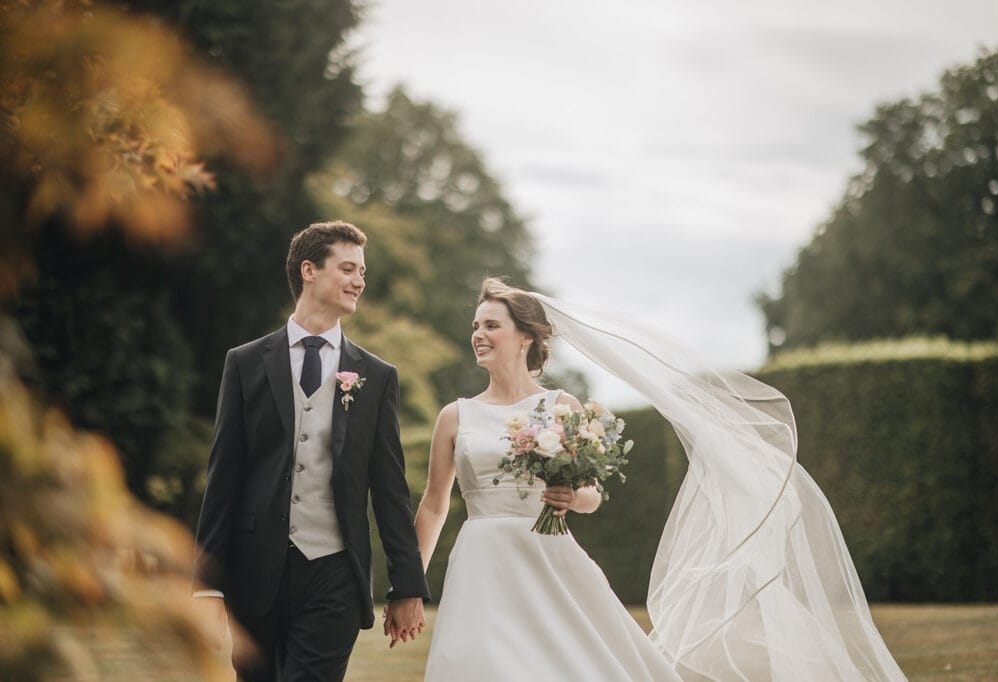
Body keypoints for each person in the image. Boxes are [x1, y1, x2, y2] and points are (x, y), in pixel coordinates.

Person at [415, 277, 906, 681]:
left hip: (549, 559)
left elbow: (590, 495)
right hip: (480, 562)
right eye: (476, 325)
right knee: (470, 663)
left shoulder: (561, 408)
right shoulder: (454, 417)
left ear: (525, 337)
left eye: (491, 325)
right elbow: (435, 505)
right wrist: (409, 584)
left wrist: (571, 497)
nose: (478, 333)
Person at [192, 221, 429, 681]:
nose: (360, 280)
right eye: (348, 268)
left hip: (335, 574)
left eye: (362, 271)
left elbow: (390, 489)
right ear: (309, 270)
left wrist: (407, 584)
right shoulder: (244, 363)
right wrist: (207, 586)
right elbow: (224, 477)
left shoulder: (377, 377)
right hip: (254, 571)